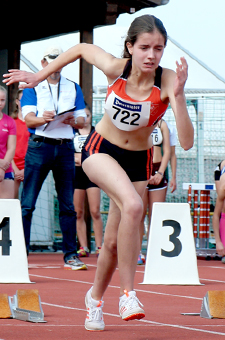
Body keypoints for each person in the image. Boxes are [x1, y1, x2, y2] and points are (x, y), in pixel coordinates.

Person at [3, 15, 194, 331]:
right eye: (144, 47)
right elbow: (79, 47)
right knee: (134, 206)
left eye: (158, 49)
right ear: (130, 47)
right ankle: (128, 294)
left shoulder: (170, 81)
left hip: (138, 161)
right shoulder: (114, 68)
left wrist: (179, 97)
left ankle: (93, 299)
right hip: (101, 149)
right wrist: (39, 76)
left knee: (111, 243)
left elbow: (185, 142)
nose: (151, 55)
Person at [5, 45, 88, 270]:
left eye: (59, 61)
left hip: (65, 148)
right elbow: (29, 120)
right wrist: (44, 118)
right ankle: (21, 254)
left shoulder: (73, 87)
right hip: (39, 146)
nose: (54, 65)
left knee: (68, 205)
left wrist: (74, 122)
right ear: (43, 63)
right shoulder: (33, 86)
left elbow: (83, 121)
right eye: (51, 61)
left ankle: (71, 255)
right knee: (28, 204)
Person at [138, 118, 171, 265]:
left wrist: (160, 173)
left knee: (156, 216)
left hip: (158, 169)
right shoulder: (139, 122)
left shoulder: (162, 124)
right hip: (141, 169)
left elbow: (168, 151)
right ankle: (137, 251)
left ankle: (153, 251)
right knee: (138, 215)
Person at [73, 103, 103, 257]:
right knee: (78, 212)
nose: (84, 119)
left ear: (91, 117)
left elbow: (99, 152)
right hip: (77, 174)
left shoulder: (96, 132)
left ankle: (99, 246)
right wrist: (76, 157)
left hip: (92, 174)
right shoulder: (72, 132)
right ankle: (83, 246)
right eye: (82, 116)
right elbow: (68, 154)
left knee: (95, 210)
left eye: (88, 116)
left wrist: (82, 158)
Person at [10, 89, 30, 198]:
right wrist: (16, 170)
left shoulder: (34, 124)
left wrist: (24, 169)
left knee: (27, 205)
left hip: (29, 167)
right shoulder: (11, 122)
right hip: (12, 167)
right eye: (23, 99)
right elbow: (5, 148)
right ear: (17, 102)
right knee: (11, 202)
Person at [0, 86, 16, 198]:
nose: (0, 103)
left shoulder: (9, 121)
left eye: (2, 100)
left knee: (6, 211)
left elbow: (11, 147)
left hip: (5, 169)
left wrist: (2, 168)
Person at [213, 160, 225, 261]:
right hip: (221, 170)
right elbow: (216, 215)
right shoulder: (223, 188)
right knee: (223, 207)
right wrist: (218, 242)